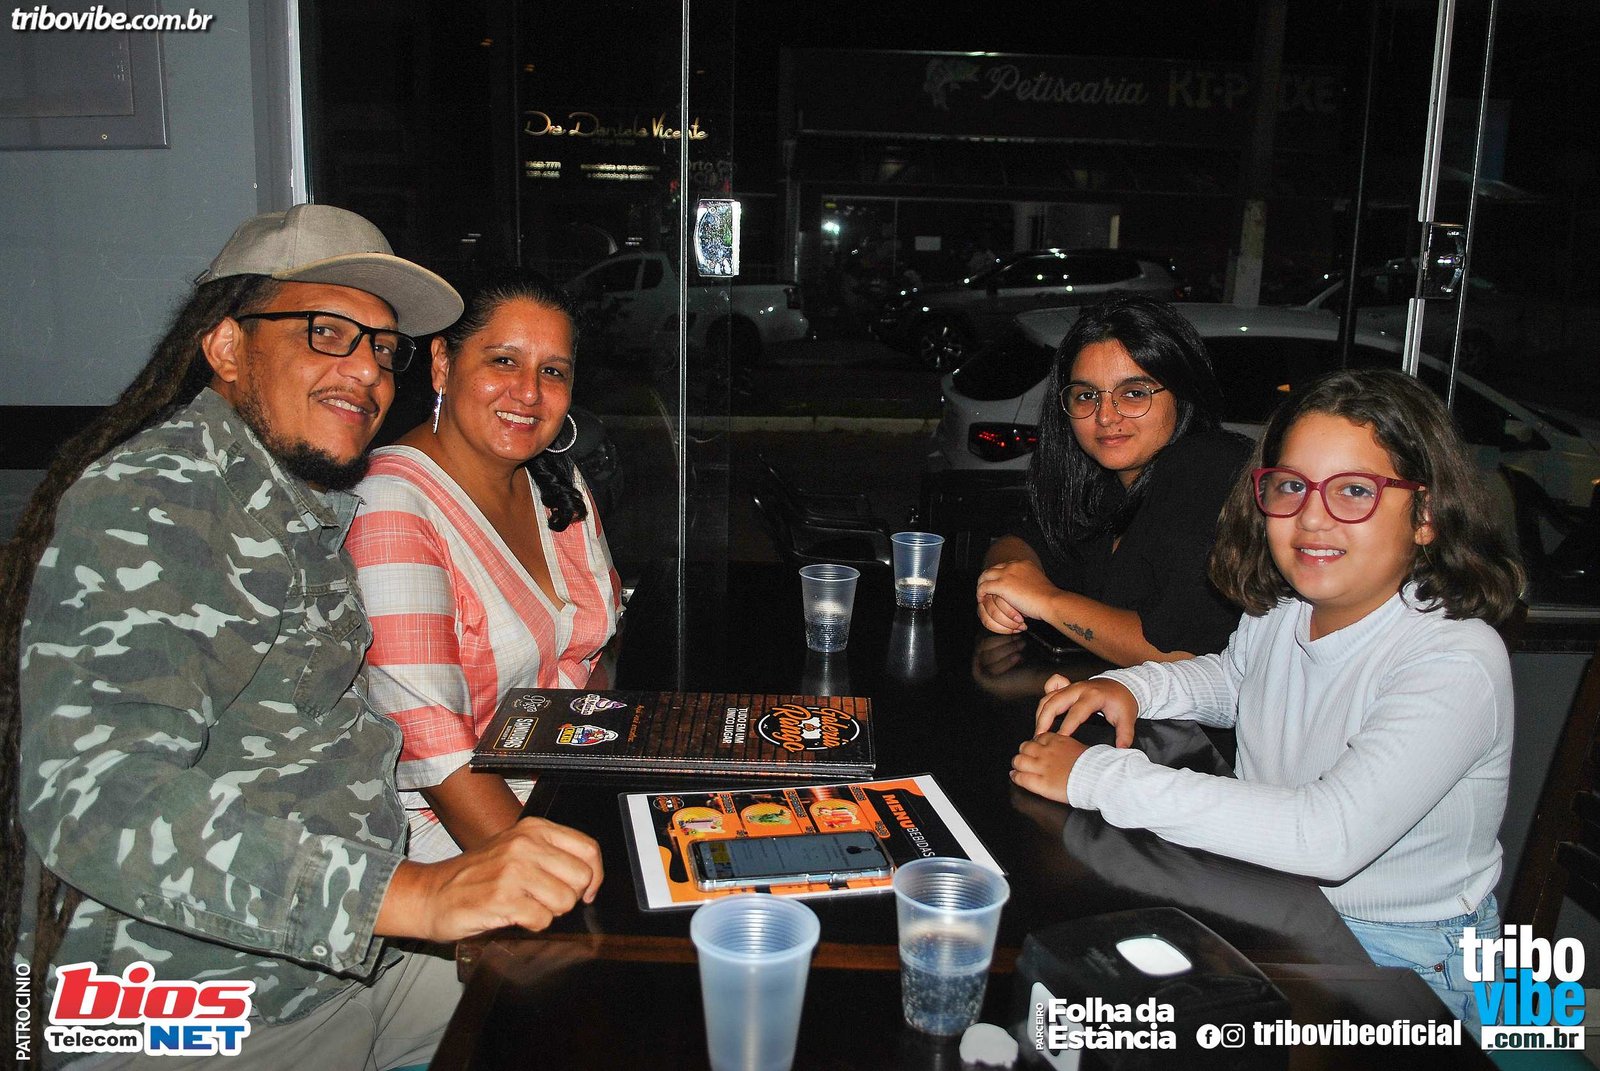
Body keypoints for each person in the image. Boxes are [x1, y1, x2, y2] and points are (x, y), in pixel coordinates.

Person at [2, 204, 603, 1069]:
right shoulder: (162, 497)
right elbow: (96, 800)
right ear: (227, 345)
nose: (366, 371)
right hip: (210, 1003)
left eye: (382, 348)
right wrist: (420, 895)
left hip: (346, 966)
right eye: (326, 333)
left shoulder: (295, 499)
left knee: (603, 987)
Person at [1011, 367, 1524, 1034]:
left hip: (1406, 961)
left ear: (1425, 515)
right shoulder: (1287, 609)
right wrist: (1131, 686)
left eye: (1354, 490)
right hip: (1278, 902)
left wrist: (1097, 776)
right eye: (1291, 486)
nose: (1312, 517)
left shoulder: (1456, 658)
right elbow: (1233, 680)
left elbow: (1328, 836)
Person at [348, 277, 620, 863]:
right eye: (504, 361)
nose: (530, 392)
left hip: (561, 787)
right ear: (442, 364)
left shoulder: (557, 483)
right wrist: (561, 883)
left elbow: (596, 653)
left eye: (553, 371)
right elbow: (440, 759)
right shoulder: (391, 506)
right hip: (452, 839)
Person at [976, 294, 1251, 666]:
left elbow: (1180, 652)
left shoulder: (1210, 468)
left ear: (1184, 393)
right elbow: (1019, 542)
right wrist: (1002, 586)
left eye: (1134, 393)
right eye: (1086, 395)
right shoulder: (1107, 486)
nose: (1105, 416)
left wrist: (1046, 601)